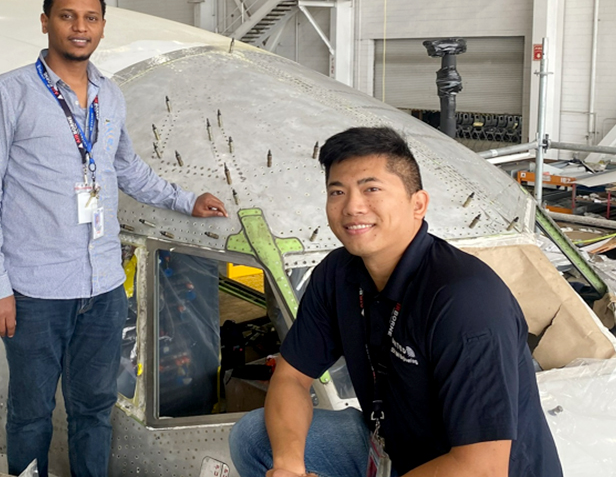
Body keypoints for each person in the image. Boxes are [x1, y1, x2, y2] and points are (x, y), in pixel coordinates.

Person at [0, 0, 227, 477]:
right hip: (35, 291)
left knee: (94, 410)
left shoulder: (108, 95)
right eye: (67, 16)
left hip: (102, 287)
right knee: (31, 411)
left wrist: (186, 200)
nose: (80, 28)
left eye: (91, 18)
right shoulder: (7, 95)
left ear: (101, 27)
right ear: (46, 23)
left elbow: (127, 169)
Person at [229, 127, 562, 477]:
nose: (353, 207)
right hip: (396, 449)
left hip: (474, 468)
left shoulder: (464, 300)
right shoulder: (338, 274)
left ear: (418, 204)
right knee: (255, 440)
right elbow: (291, 377)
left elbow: (483, 467)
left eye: (371, 189)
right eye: (337, 192)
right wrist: (289, 467)